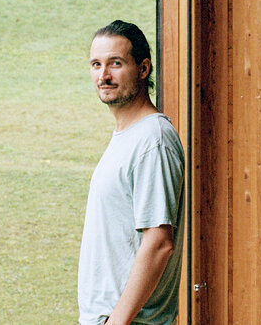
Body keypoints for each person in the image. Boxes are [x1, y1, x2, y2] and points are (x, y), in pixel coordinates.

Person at [78, 20, 184, 325]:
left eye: (116, 63)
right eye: (96, 64)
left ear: (143, 68)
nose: (103, 75)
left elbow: (159, 243)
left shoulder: (153, 140)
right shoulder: (130, 136)